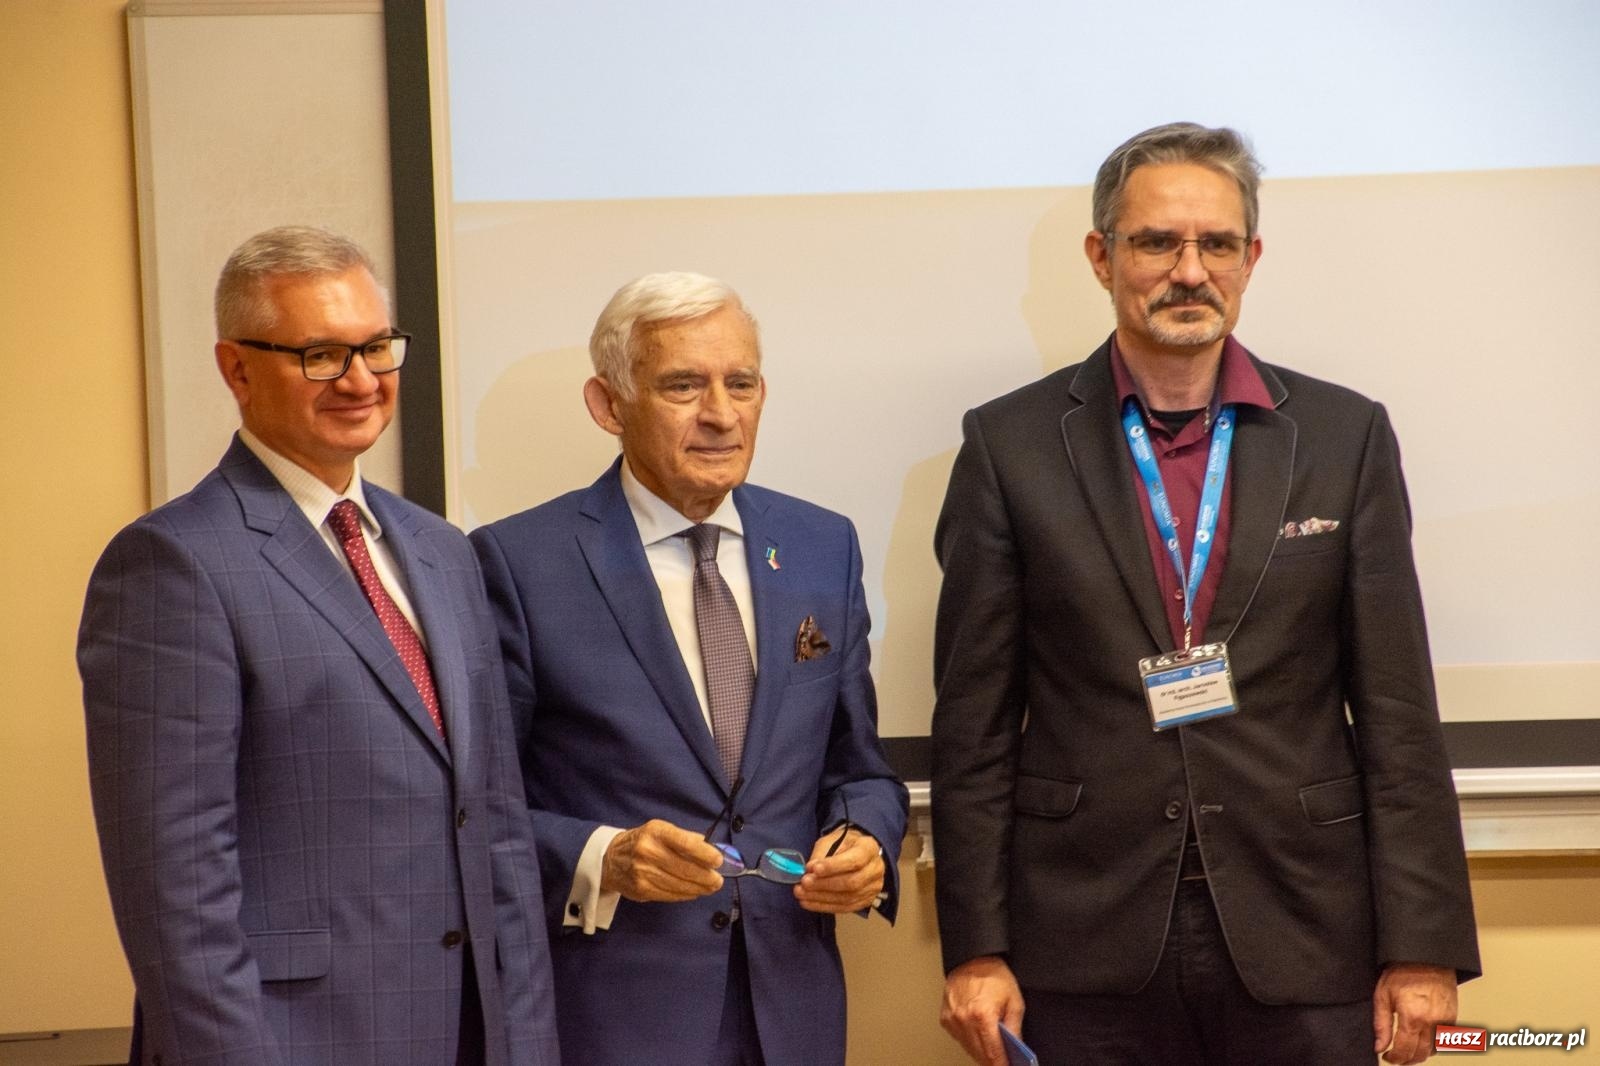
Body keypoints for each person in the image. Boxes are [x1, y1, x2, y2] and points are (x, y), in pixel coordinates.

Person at [931, 123, 1480, 1066]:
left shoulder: (1345, 438)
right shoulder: (1007, 447)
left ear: (1250, 258)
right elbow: (974, 726)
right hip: (1081, 934)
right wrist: (978, 947)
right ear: (1103, 257)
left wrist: (1424, 949)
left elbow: (1398, 711)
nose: (1190, 271)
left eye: (1216, 244)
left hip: (1307, 928)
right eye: (1157, 243)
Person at [78, 226, 560, 1066]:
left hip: (471, 1036)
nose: (363, 381)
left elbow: (498, 829)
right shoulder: (172, 564)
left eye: (377, 348)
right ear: (236, 368)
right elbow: (176, 894)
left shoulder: (443, 551)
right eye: (322, 356)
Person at [470, 271, 908, 1066]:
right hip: (614, 1015)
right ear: (609, 405)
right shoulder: (518, 562)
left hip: (792, 1010)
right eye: (683, 386)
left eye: (740, 384)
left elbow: (861, 771)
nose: (720, 414)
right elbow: (479, 811)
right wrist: (605, 856)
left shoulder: (821, 544)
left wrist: (863, 839)